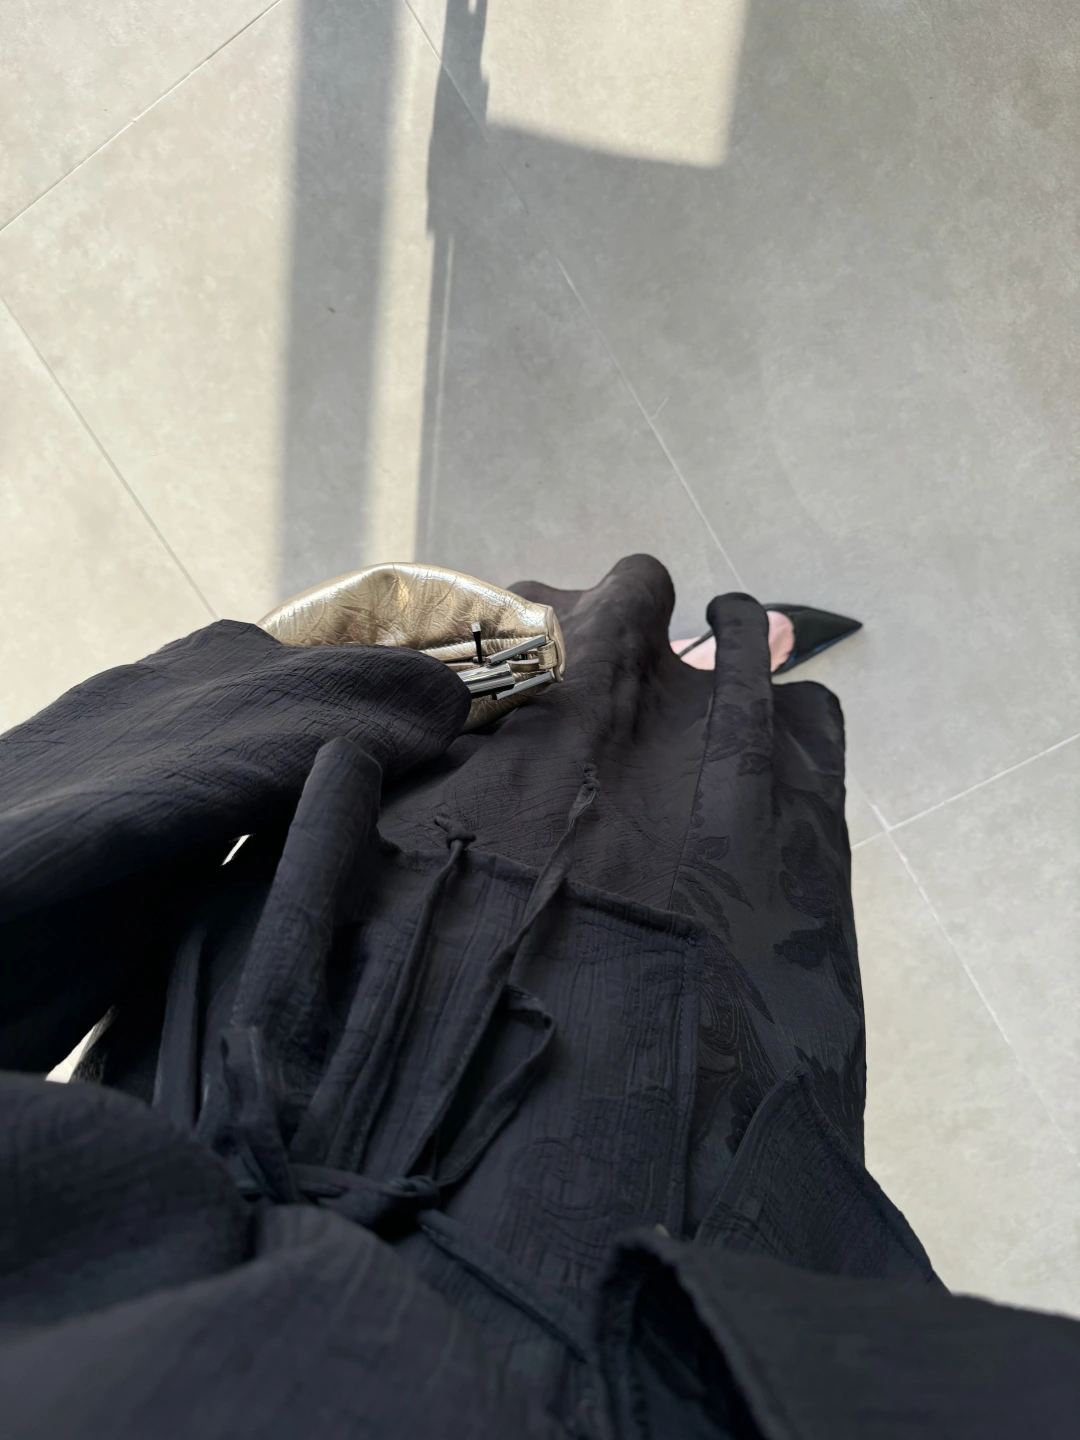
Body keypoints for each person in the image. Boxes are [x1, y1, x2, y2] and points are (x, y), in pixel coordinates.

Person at [0, 555, 1074, 1438]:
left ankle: (677, 692)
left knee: (578, 711)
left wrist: (301, 698)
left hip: (392, 1007)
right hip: (661, 1243)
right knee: (694, 811)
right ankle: (695, 700)